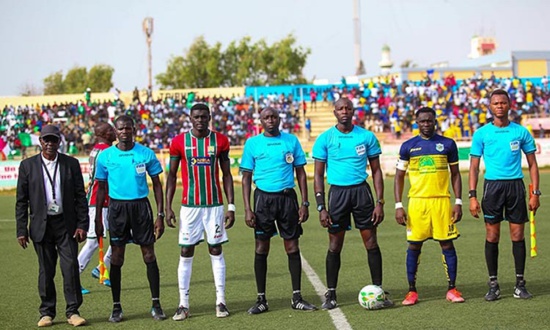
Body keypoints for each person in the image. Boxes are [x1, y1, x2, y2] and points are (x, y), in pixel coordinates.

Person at [312, 97, 392, 310]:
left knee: (371, 243)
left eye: (348, 108)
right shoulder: (325, 138)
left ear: (353, 111)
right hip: (337, 195)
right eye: (340, 108)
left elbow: (376, 171)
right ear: (334, 112)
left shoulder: (366, 136)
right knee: (335, 245)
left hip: (362, 193)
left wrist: (380, 202)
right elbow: (318, 176)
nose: (344, 111)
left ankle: (378, 290)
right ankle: (331, 294)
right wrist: (321, 207)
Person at [241, 107, 317, 315]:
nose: (270, 120)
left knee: (292, 247)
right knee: (261, 248)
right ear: (261, 120)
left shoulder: (291, 141)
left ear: (279, 119)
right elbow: (246, 177)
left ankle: (297, 297)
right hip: (263, 199)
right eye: (266, 117)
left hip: (287, 198)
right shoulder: (252, 143)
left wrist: (305, 202)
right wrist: (247, 208)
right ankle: (261, 299)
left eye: (273, 116)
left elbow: (300, 173)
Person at [165, 103, 235, 321]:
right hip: (190, 208)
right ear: (190, 118)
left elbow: (226, 175)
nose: (200, 120)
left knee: (215, 250)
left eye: (204, 116)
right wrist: (167, 207)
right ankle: (183, 304)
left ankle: (221, 302)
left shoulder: (221, 141)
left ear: (210, 117)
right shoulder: (179, 142)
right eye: (196, 117)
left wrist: (231, 206)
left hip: (214, 206)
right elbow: (171, 176)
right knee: (186, 252)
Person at [469, 89, 540, 301]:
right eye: (496, 103)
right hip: (492, 188)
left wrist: (535, 193)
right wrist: (472, 195)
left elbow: (533, 164)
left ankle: (520, 284)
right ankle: (493, 285)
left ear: (509, 106)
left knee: (517, 236)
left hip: (516, 187)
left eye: (503, 103)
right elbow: (473, 167)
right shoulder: (481, 134)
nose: (500, 106)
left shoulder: (521, 132)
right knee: (492, 236)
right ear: (490, 107)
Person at [94, 115, 167, 322]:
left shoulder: (145, 153)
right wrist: (98, 218)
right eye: (120, 128)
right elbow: (101, 189)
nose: (124, 131)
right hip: (117, 209)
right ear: (115, 132)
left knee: (149, 255)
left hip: (141, 207)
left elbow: (157, 185)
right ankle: (116, 307)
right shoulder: (106, 156)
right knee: (117, 257)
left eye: (128, 128)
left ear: (134, 129)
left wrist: (160, 215)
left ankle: (156, 304)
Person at [16, 124, 88, 327]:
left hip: (66, 224)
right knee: (46, 270)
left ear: (59, 142)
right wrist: (21, 230)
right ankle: (47, 312)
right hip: (41, 225)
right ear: (40, 142)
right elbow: (22, 201)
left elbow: (80, 197)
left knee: (70, 267)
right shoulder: (27, 166)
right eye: (46, 140)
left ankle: (73, 311)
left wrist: (83, 224)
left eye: (54, 140)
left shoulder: (70, 164)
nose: (50, 143)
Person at [394, 107, 464, 306]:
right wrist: (398, 205)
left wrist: (458, 202)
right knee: (414, 245)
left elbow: (456, 174)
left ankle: (452, 289)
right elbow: (399, 177)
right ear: (417, 123)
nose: (426, 124)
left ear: (435, 122)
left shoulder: (448, 144)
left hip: (442, 201)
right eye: (422, 121)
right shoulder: (408, 146)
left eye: (429, 121)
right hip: (417, 203)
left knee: (447, 244)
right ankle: (411, 291)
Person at [77, 122, 116, 294]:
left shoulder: (96, 150)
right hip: (98, 201)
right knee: (93, 242)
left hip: (104, 200)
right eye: (112, 130)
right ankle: (74, 277)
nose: (115, 132)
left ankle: (102, 267)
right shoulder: (106, 152)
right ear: (105, 133)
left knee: (120, 237)